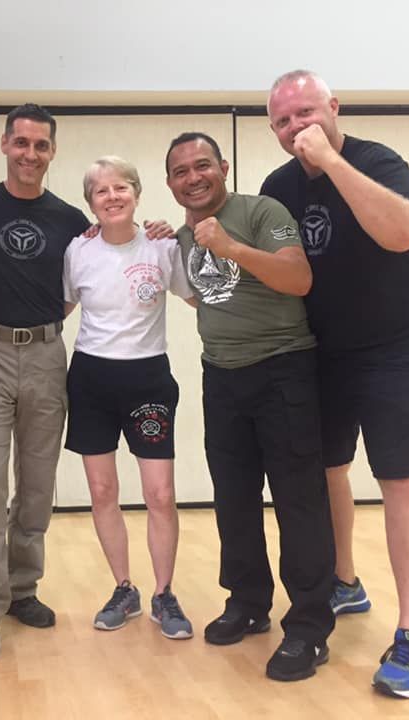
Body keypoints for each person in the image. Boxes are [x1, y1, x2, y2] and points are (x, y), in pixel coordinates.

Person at [261, 70, 409, 698]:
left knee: (400, 477)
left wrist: (330, 162)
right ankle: (345, 581)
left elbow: (402, 233)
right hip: (322, 350)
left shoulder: (377, 161)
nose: (296, 128)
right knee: (326, 467)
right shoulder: (277, 187)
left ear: (333, 108)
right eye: (283, 121)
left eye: (306, 112)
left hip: (398, 344)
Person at [165, 132, 335, 681]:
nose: (194, 177)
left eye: (203, 165)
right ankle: (248, 602)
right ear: (171, 184)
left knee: (297, 500)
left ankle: (309, 627)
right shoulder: (184, 237)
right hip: (222, 375)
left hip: (283, 369)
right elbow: (200, 296)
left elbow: (299, 277)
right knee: (233, 498)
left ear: (224, 167)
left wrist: (230, 247)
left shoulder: (262, 210)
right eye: (182, 171)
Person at [0, 104, 91, 660]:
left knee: (37, 481)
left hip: (45, 354)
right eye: (21, 143)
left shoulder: (68, 219)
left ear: (52, 152)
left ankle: (22, 588)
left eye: (41, 145)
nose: (30, 154)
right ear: (4, 144)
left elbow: (107, 255)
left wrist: (154, 228)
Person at [63, 156, 197, 641]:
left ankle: (164, 594)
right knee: (103, 492)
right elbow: (59, 307)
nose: (113, 197)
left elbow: (199, 296)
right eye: (102, 191)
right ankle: (124, 588)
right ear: (91, 203)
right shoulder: (77, 251)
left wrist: (188, 236)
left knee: (160, 494)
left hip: (148, 381)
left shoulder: (161, 247)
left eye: (122, 188)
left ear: (137, 194)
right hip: (91, 379)